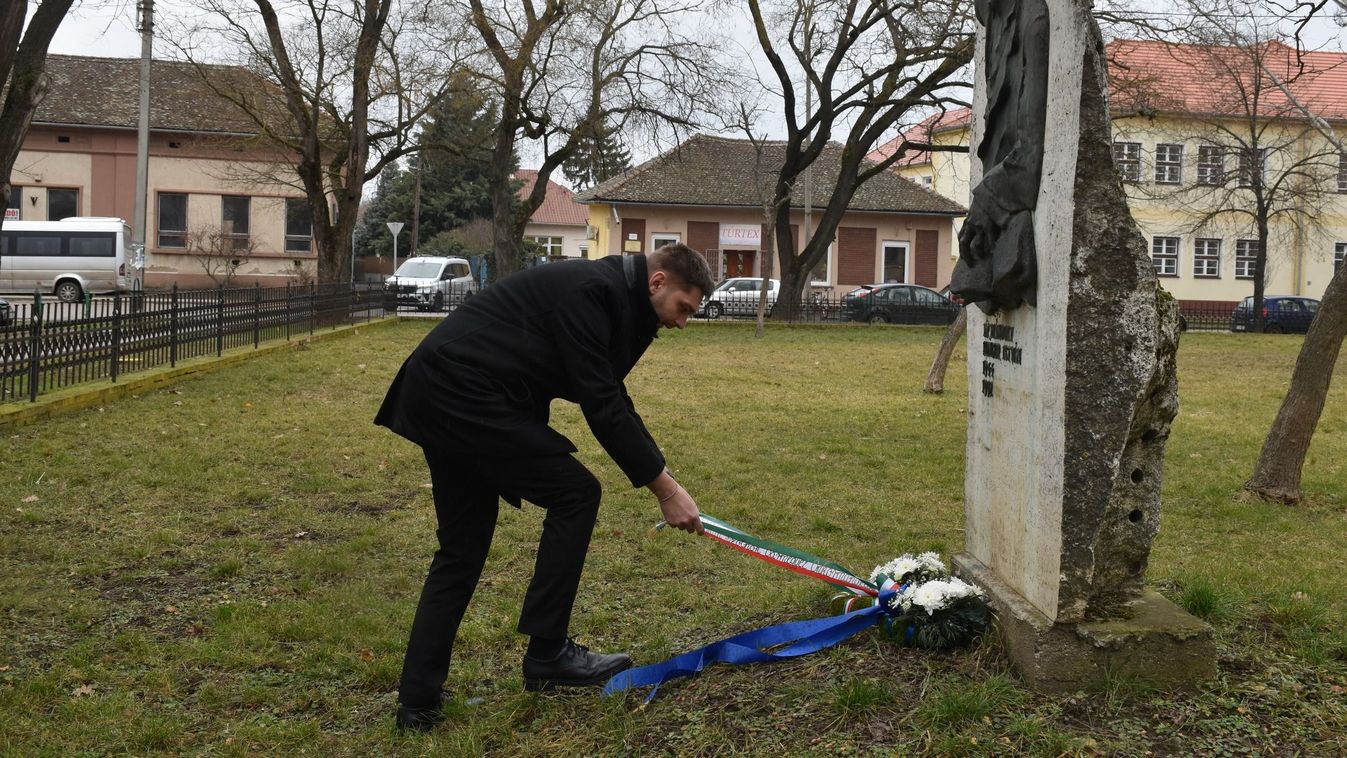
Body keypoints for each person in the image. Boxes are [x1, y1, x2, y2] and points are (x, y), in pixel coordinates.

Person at [375, 244, 713, 732]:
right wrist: (664, 488)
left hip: (447, 392)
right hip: (461, 394)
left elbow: (609, 390)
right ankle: (548, 653)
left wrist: (661, 475)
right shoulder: (591, 291)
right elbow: (600, 401)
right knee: (576, 494)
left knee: (462, 549)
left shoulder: (619, 299)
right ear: (658, 282)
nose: (683, 323)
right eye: (684, 308)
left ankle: (418, 703)